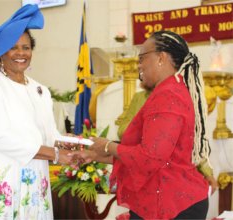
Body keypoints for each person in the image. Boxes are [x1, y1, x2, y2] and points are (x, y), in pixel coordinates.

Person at [70, 30, 212, 219]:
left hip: (173, 204)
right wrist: (97, 155)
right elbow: (150, 155)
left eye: (142, 58)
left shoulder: (169, 95)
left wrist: (107, 145)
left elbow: (150, 158)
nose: (139, 65)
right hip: (168, 198)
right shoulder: (170, 90)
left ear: (161, 58)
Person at [0, 4, 72, 219]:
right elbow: (0, 136)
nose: (21, 53)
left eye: (26, 47)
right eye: (13, 48)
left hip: (33, 176)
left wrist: (73, 145)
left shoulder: (40, 89)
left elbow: (49, 134)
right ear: (1, 53)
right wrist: (56, 155)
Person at [117, 84, 218, 195]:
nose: (140, 68)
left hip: (178, 177)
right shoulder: (140, 98)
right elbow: (122, 132)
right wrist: (147, 125)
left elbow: (194, 141)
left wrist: (208, 173)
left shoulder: (183, 97)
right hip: (148, 175)